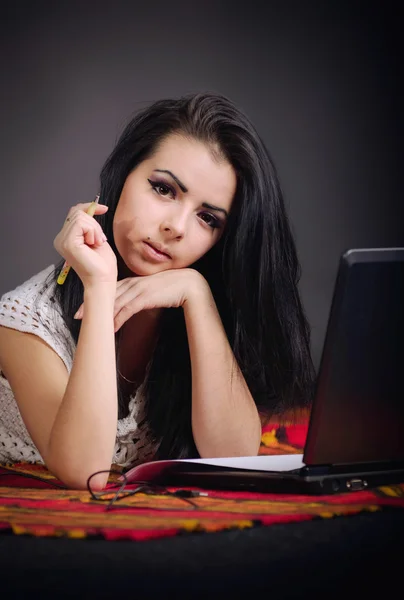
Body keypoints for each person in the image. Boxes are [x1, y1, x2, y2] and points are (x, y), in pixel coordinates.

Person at [0, 92, 315, 489]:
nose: (177, 227)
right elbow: (86, 473)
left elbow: (235, 455)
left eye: (207, 218)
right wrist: (98, 286)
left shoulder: (190, 306)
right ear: (122, 175)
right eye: (164, 189)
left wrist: (196, 293)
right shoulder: (24, 321)